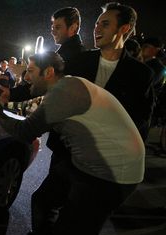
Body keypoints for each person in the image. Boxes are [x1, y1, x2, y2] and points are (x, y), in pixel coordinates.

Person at [0, 52, 144, 235]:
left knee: (71, 234)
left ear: (48, 72)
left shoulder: (62, 94)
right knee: (43, 200)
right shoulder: (68, 83)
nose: (26, 77)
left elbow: (26, 132)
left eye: (30, 71)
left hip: (110, 176)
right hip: (89, 163)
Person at [66, 2, 154, 141]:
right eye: (97, 24)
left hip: (108, 153)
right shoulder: (79, 61)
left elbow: (140, 119)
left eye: (105, 24)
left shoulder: (141, 74)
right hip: (67, 150)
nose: (96, 29)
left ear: (124, 28)